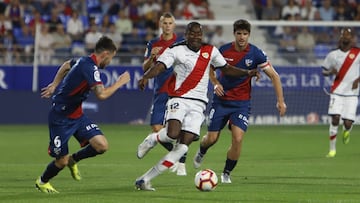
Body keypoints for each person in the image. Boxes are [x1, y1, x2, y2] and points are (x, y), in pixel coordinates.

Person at [135, 21, 259, 191]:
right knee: (172, 134)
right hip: (178, 98)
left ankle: (145, 179)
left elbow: (227, 68)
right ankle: (153, 138)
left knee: (182, 147)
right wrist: (146, 77)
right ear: (186, 35)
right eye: (192, 34)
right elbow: (160, 66)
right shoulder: (175, 50)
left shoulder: (210, 51)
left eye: (198, 34)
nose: (195, 37)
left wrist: (247, 73)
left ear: (202, 35)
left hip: (198, 104)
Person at [193, 19, 287, 184]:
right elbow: (210, 69)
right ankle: (202, 150)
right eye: (239, 33)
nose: (242, 37)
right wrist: (215, 83)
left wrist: (280, 101)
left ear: (249, 35)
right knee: (212, 138)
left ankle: (226, 173)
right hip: (221, 101)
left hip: (241, 104)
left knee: (237, 139)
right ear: (234, 34)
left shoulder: (256, 53)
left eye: (245, 34)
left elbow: (274, 76)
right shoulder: (223, 50)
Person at [35, 36, 130, 193]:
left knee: (101, 145)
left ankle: (75, 159)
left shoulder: (83, 61)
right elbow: (102, 95)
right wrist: (120, 82)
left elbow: (66, 65)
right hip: (60, 118)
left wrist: (54, 84)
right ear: (106, 53)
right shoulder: (90, 67)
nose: (110, 61)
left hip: (77, 115)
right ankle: (42, 181)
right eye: (111, 57)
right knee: (61, 161)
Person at [140, 12, 187, 176]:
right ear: (160, 25)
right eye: (165, 23)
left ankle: (181, 160)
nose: (167, 25)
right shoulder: (153, 43)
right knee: (156, 128)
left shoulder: (181, 43)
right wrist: (152, 57)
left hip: (176, 91)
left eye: (170, 23)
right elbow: (144, 67)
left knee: (176, 128)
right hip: (160, 91)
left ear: (174, 25)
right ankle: (179, 152)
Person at [322, 28, 360, 158]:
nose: (346, 37)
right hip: (337, 91)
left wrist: (358, 80)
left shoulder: (358, 53)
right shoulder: (333, 55)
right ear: (340, 38)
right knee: (335, 118)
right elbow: (324, 71)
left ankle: (347, 130)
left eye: (348, 35)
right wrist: (330, 72)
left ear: (352, 38)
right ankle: (332, 150)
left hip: (352, 93)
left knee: (348, 122)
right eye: (343, 35)